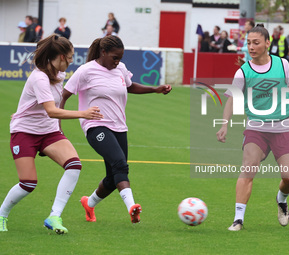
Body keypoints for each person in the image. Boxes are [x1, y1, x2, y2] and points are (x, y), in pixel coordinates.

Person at [60, 35, 172, 225]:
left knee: (113, 178)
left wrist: (155, 89)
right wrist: (58, 125)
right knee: (120, 164)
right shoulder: (85, 71)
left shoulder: (120, 68)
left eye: (120, 57)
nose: (117, 61)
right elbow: (63, 95)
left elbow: (130, 86)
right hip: (95, 125)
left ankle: (89, 203)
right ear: (103, 52)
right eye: (114, 57)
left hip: (119, 126)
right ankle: (131, 207)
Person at [0, 34, 103, 234]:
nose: (72, 61)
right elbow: (51, 110)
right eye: (71, 57)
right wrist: (83, 113)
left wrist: (57, 126)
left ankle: (54, 216)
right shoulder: (39, 77)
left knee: (74, 166)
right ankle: (1, 214)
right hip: (24, 132)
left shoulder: (59, 74)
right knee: (28, 183)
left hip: (48, 131)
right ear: (61, 57)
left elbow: (49, 108)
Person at [216, 24, 289, 231]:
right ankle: (238, 219)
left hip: (285, 124)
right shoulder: (243, 72)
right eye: (248, 43)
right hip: (257, 126)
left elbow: (288, 92)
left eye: (256, 42)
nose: (251, 47)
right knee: (248, 167)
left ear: (267, 43)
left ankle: (281, 199)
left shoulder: (283, 64)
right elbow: (230, 100)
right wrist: (224, 125)